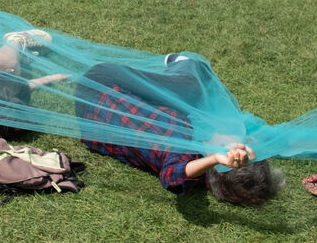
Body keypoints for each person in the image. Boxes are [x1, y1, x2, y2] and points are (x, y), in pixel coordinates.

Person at [73, 55, 282, 204]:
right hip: (93, 127)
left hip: (99, 85)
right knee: (187, 98)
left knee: (193, 85)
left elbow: (172, 176)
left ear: (223, 158)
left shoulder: (182, 148)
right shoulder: (196, 168)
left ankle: (181, 61)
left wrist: (216, 158)